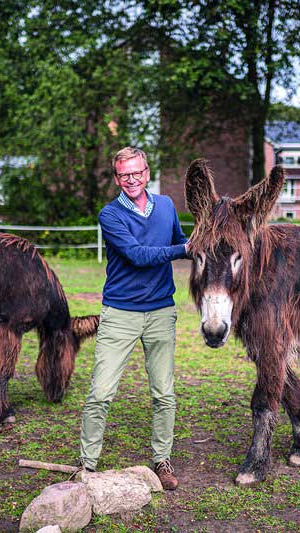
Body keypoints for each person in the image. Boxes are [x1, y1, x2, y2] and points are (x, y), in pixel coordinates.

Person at [79, 146, 188, 490]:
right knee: (101, 392)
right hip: (120, 313)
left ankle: (162, 459)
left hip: (161, 313)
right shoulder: (110, 215)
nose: (132, 179)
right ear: (116, 178)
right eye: (124, 174)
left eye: (137, 172)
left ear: (147, 172)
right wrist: (185, 249)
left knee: (164, 394)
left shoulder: (167, 206)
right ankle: (87, 464)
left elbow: (181, 240)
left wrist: (198, 245)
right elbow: (139, 256)